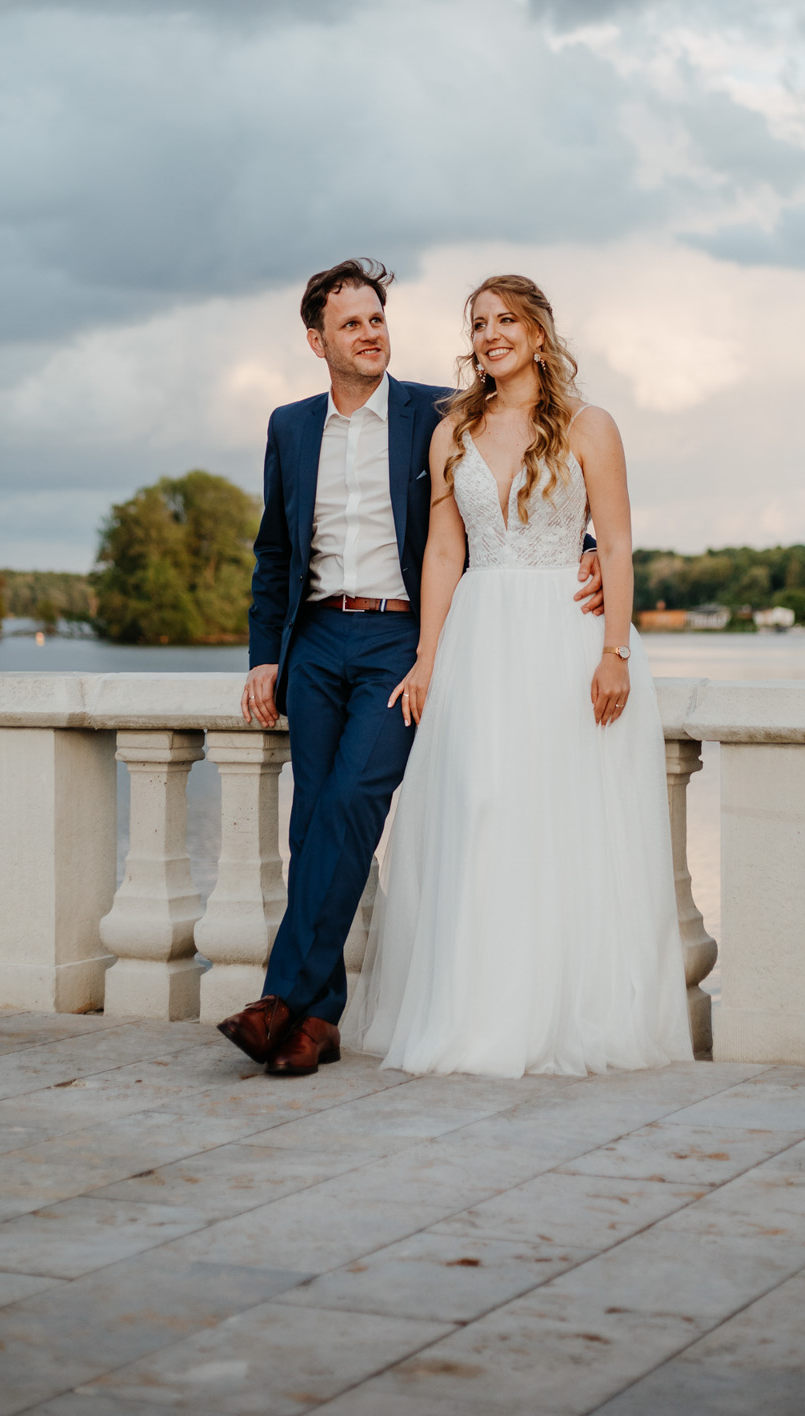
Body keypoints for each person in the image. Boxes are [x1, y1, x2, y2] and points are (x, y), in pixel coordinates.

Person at [220, 258, 606, 1078]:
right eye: (351, 323)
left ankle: (278, 997)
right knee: (311, 819)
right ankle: (313, 1025)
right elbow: (275, 554)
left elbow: (517, 482)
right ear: (316, 340)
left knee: (357, 800)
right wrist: (264, 655)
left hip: (402, 642)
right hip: (317, 641)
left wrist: (591, 550)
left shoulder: (438, 412)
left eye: (377, 318)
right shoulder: (289, 427)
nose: (370, 333)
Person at [344, 273, 692, 1077]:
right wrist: (429, 656)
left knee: (559, 823)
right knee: (484, 811)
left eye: (507, 319)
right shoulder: (453, 432)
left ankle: (561, 1015)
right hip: (480, 640)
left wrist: (615, 652)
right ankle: (481, 1011)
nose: (491, 333)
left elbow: (618, 543)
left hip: (565, 640)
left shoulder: (588, 426)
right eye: (479, 322)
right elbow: (443, 551)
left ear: (539, 332)